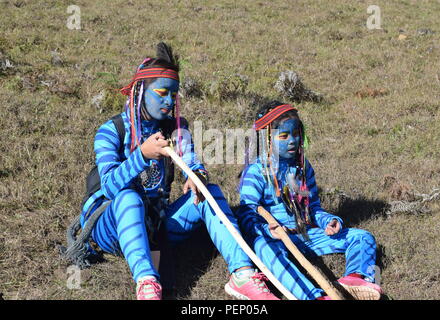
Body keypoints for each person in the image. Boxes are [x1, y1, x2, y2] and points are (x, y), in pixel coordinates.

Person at [77, 43, 278, 300]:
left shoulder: (175, 127)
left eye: (174, 94)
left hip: (156, 225)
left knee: (209, 191)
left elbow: (191, 160)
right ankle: (148, 283)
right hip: (110, 227)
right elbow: (109, 187)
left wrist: (197, 176)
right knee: (129, 197)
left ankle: (242, 274)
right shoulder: (111, 130)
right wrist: (141, 156)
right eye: (161, 92)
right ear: (140, 91)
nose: (169, 101)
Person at [235, 100, 383, 300]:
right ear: (266, 139)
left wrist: (327, 221)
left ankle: (355, 279)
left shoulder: (303, 167)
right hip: (276, 240)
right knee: (263, 248)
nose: (292, 141)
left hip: (307, 235)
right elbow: (246, 213)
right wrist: (267, 230)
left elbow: (312, 207)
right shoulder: (256, 172)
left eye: (296, 134)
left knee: (362, 236)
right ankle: (314, 297)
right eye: (284, 136)